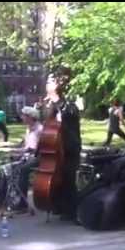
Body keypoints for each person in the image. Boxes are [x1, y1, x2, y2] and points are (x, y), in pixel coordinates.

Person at [42, 67, 82, 221]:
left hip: (69, 148)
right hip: (55, 149)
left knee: (69, 180)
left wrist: (56, 98)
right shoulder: (51, 104)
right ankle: (60, 206)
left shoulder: (68, 103)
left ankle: (73, 212)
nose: (47, 84)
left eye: (50, 81)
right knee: (60, 180)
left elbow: (69, 114)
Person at [1, 106, 43, 211]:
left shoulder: (40, 130)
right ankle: (5, 197)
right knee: (6, 165)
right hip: (27, 156)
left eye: (23, 116)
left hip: (38, 158)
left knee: (22, 169)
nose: (22, 117)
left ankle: (22, 203)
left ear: (30, 117)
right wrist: (10, 147)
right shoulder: (28, 129)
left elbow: (36, 149)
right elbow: (24, 145)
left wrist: (20, 152)